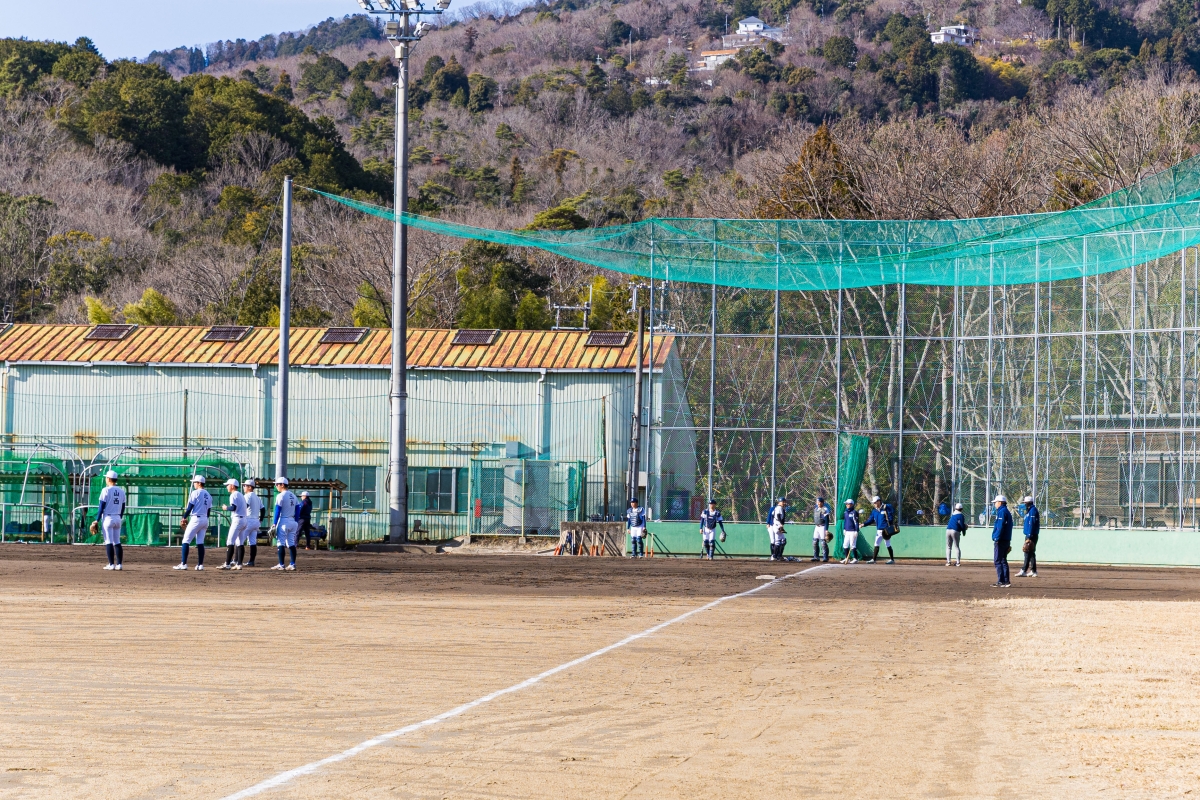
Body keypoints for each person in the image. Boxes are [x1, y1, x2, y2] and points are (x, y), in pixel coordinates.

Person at [174, 475, 212, 571]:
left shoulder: (195, 493)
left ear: (199, 483)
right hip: (204, 519)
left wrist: (184, 517)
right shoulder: (209, 495)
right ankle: (200, 565)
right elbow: (208, 512)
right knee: (200, 542)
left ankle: (184, 564)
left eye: (195, 482)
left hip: (196, 518)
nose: (194, 484)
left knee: (186, 540)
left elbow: (190, 508)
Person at [94, 470, 126, 571]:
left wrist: (96, 520)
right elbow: (123, 506)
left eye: (106, 478)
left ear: (108, 479)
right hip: (117, 518)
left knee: (108, 542)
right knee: (117, 542)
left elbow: (101, 507)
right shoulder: (122, 491)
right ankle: (119, 564)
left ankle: (111, 564)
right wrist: (119, 517)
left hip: (108, 518)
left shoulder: (105, 490)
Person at [270, 477, 300, 571]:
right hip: (292, 521)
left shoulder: (281, 495)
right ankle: (292, 564)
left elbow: (277, 510)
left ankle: (281, 564)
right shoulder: (293, 495)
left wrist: (274, 523)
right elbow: (298, 508)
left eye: (277, 484)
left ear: (282, 485)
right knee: (291, 543)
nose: (276, 486)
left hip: (284, 521)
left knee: (280, 543)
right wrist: (296, 520)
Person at [219, 479, 248, 570]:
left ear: (232, 485)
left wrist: (225, 508)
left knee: (230, 542)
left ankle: (227, 564)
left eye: (228, 485)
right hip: (244, 520)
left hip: (237, 520)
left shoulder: (233, 495)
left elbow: (233, 507)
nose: (227, 486)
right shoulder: (240, 495)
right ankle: (239, 564)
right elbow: (246, 505)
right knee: (240, 543)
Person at [240, 479, 264, 567]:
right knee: (252, 542)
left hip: (248, 520)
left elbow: (245, 506)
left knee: (239, 541)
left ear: (250, 487)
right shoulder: (257, 497)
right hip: (255, 521)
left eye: (245, 485)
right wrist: (260, 520)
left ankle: (237, 561)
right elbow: (263, 509)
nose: (243, 487)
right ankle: (251, 561)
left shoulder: (247, 496)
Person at [991, 494, 1014, 587]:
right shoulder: (1006, 511)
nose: (995, 504)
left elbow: (1000, 527)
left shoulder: (1002, 512)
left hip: (1001, 539)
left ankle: (1001, 581)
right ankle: (1006, 581)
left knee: (998, 560)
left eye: (996, 502)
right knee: (1003, 560)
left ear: (1000, 502)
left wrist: (996, 537)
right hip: (1006, 539)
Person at [868, 496, 898, 564]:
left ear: (879, 501)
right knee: (876, 544)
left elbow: (891, 516)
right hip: (879, 530)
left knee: (887, 544)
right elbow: (870, 520)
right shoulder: (874, 511)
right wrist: (863, 524)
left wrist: (890, 525)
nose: (874, 504)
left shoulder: (885, 507)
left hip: (885, 530)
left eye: (875, 502)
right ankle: (873, 560)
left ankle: (892, 560)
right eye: (874, 503)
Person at [1017, 494, 1040, 578]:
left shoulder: (1033, 510)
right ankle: (1033, 571)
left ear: (1029, 503)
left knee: (1027, 552)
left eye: (1026, 503)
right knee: (1031, 553)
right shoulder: (1030, 510)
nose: (1025, 504)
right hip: (1030, 534)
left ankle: (1023, 570)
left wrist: (1029, 536)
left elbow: (1031, 523)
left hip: (1031, 534)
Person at [946, 502, 968, 566]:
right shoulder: (961, 515)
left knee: (948, 547)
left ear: (955, 508)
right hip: (955, 531)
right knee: (956, 547)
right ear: (961, 509)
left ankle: (948, 562)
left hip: (948, 530)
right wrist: (964, 530)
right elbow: (961, 525)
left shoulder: (953, 514)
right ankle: (958, 562)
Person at [811, 496, 832, 562]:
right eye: (817, 502)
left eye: (820, 502)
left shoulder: (825, 509)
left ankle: (825, 557)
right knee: (814, 541)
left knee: (823, 542)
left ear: (822, 503)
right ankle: (816, 556)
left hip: (823, 526)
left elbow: (827, 520)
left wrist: (826, 530)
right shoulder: (816, 508)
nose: (818, 503)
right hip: (817, 526)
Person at [840, 499, 860, 564]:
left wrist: (856, 531)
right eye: (846, 504)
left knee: (853, 545)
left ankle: (855, 558)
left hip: (853, 531)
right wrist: (844, 529)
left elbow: (856, 522)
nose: (847, 505)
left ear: (852, 504)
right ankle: (847, 558)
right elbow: (845, 521)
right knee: (845, 545)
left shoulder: (854, 512)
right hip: (847, 531)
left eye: (848, 504)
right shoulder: (845, 512)